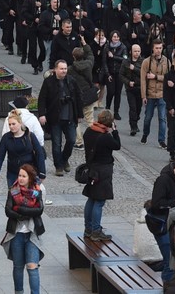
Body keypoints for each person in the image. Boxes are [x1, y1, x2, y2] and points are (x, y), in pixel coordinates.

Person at [5, 163, 46, 294]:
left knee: (32, 266)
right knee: (18, 266)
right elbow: (8, 210)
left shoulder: (38, 190)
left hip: (32, 233)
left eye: (24, 176)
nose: (21, 178)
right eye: (19, 175)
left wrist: (21, 210)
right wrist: (27, 212)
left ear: (30, 178)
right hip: (17, 233)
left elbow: (39, 210)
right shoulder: (13, 190)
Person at [81, 108, 121, 241]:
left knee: (91, 198)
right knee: (99, 201)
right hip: (103, 171)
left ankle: (88, 228)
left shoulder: (89, 131)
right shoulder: (105, 137)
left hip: (92, 168)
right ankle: (96, 231)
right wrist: (115, 131)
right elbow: (117, 145)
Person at [37, 60, 80, 176]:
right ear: (55, 69)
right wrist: (42, 114)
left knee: (71, 140)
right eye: (61, 69)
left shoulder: (71, 81)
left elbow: (78, 98)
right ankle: (58, 166)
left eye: (65, 69)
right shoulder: (48, 82)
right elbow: (42, 99)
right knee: (56, 143)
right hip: (55, 117)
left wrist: (79, 115)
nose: (64, 71)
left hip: (69, 117)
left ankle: (64, 158)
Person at [141, 40, 172, 147]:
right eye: (156, 48)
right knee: (147, 118)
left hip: (162, 94)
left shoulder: (167, 62)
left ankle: (161, 140)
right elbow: (143, 80)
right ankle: (145, 134)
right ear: (153, 49)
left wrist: (156, 77)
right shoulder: (146, 62)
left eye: (160, 48)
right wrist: (143, 96)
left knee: (162, 118)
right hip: (150, 94)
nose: (158, 50)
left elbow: (168, 78)